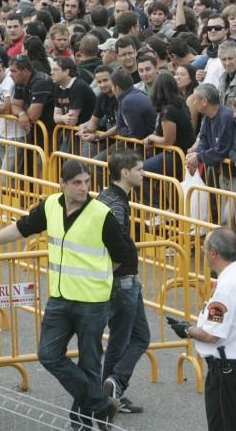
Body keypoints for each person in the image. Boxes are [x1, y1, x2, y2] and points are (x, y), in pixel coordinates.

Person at [0, 159, 131, 429]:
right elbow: (20, 228)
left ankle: (81, 423)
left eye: (86, 182)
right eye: (77, 183)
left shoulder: (101, 214)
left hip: (92, 302)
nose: (84, 188)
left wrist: (98, 277)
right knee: (48, 354)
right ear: (63, 184)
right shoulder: (51, 205)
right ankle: (101, 404)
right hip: (60, 298)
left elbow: (121, 256)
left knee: (90, 364)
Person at [167, 228, 236, 431]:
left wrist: (186, 329)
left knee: (223, 425)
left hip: (226, 371)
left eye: (204, 250)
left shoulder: (226, 288)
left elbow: (211, 334)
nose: (203, 254)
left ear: (213, 253)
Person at [99, 150, 150, 416]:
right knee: (129, 338)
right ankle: (114, 386)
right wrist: (114, 270)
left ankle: (112, 391)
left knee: (134, 336)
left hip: (122, 280)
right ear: (125, 172)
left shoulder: (107, 196)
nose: (143, 173)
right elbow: (113, 241)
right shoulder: (116, 203)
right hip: (123, 281)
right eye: (139, 170)